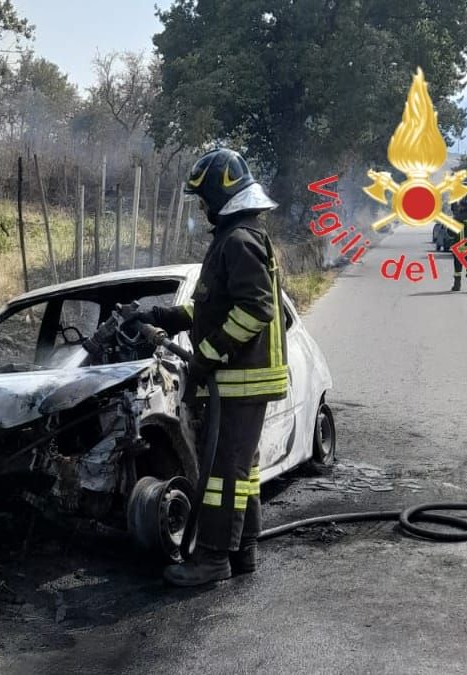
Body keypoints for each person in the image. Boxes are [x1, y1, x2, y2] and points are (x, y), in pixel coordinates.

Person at [118, 148, 288, 587]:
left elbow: (257, 309)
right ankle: (243, 549)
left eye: (202, 199)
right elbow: (212, 310)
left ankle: (212, 560)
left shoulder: (237, 240)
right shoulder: (239, 236)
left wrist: (210, 354)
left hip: (240, 380)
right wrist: (160, 317)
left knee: (220, 474)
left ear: (219, 195)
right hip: (244, 380)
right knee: (241, 471)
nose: (201, 208)